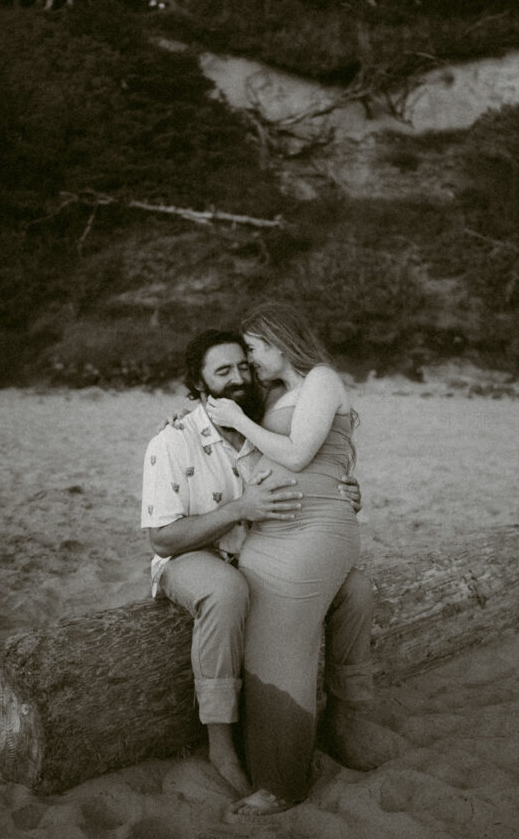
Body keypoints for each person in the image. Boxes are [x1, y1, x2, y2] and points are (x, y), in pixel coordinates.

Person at [141, 326, 390, 802]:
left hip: (266, 553)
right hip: (196, 557)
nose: (238, 377)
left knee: (356, 589)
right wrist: (239, 509)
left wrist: (346, 491)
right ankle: (220, 743)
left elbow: (311, 461)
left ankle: (343, 718)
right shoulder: (172, 442)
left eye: (243, 365)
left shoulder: (268, 420)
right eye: (222, 371)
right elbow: (162, 537)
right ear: (199, 383)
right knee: (227, 591)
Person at [205, 303, 367, 817]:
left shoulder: (321, 379)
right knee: (260, 645)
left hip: (315, 530)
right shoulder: (273, 395)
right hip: (270, 533)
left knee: (282, 648)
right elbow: (259, 460)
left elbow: (298, 455)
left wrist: (236, 420)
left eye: (253, 348)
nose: (249, 360)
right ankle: (278, 757)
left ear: (279, 341)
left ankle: (282, 784)